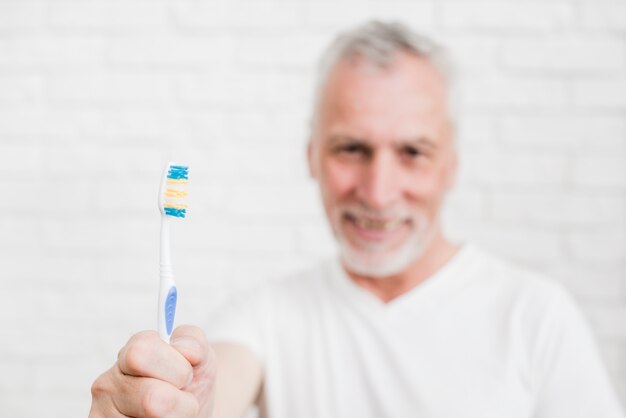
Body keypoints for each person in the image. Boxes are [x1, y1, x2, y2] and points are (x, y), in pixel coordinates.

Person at [89, 21, 624, 418]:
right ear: (311, 156)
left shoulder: (537, 317)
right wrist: (177, 402)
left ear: (452, 165)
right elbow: (217, 386)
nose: (378, 191)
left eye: (413, 151)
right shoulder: (267, 316)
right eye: (351, 148)